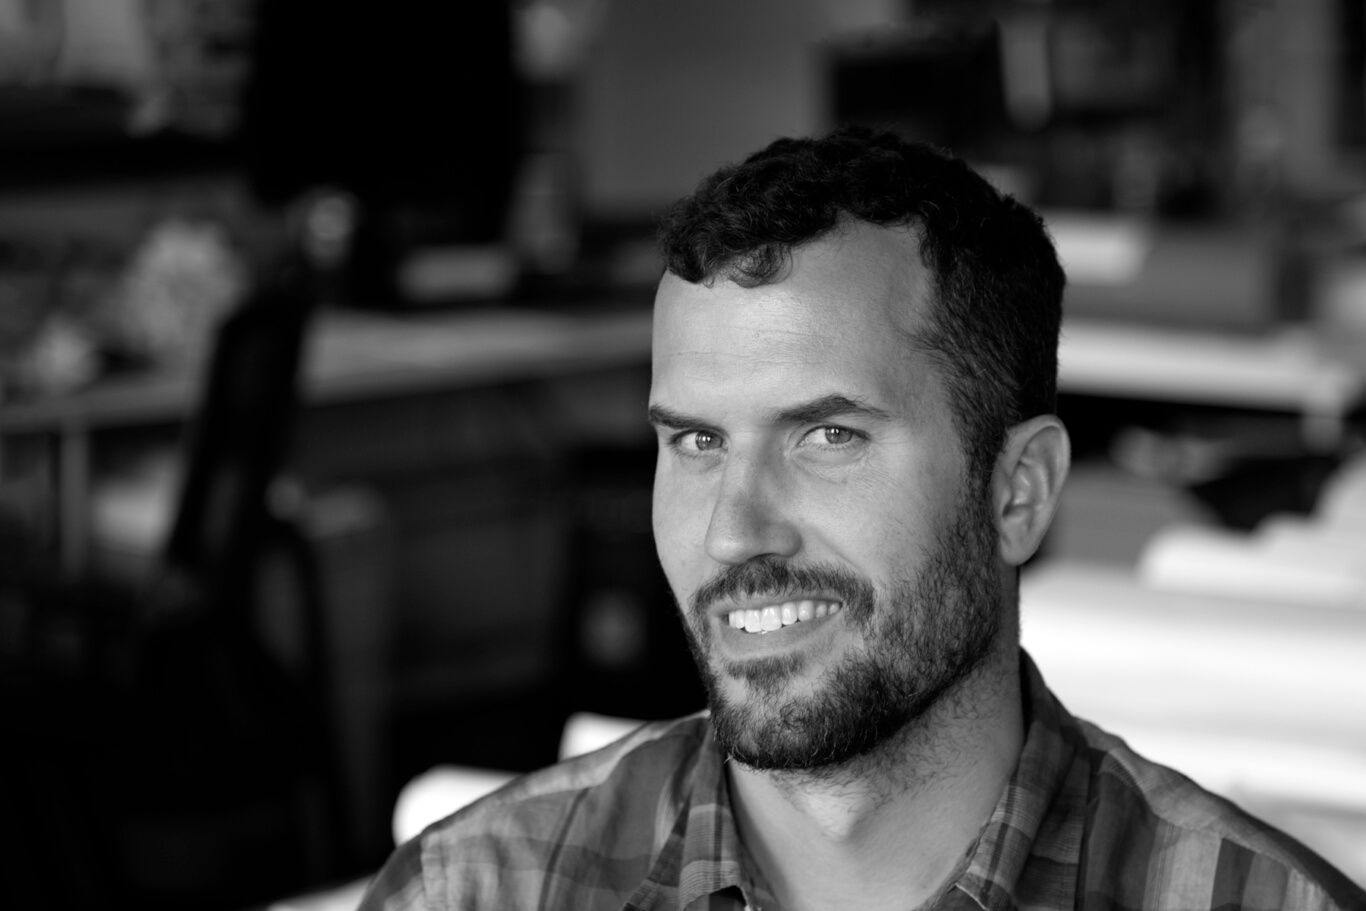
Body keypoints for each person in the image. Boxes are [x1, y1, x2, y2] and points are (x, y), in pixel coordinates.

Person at [359, 127, 1366, 911]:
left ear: (1018, 490)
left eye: (827, 436)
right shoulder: (474, 890)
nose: (733, 532)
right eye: (697, 441)